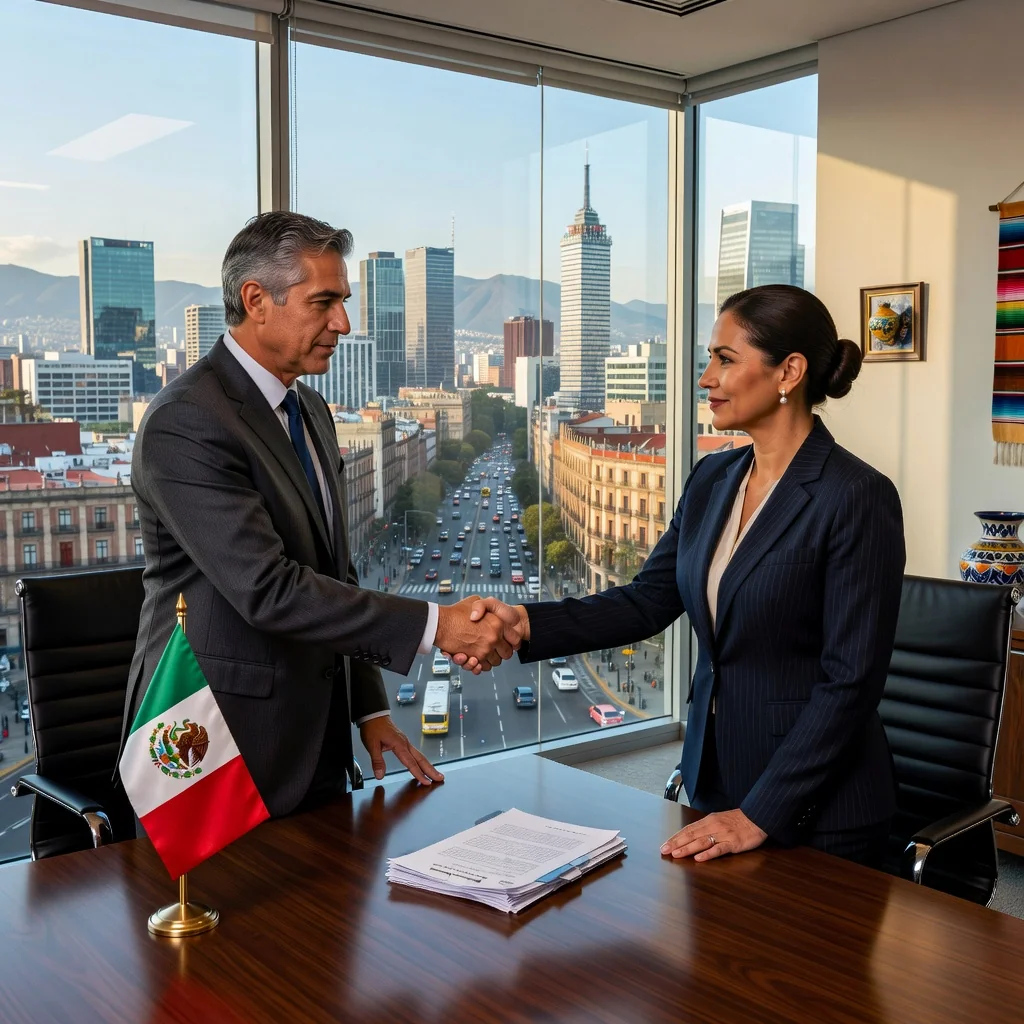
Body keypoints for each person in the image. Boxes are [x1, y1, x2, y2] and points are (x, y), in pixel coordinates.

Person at [466, 285, 905, 867]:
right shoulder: (712, 479)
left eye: (725, 360)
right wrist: (525, 624)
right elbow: (648, 600)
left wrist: (759, 814)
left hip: (818, 812)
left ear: (789, 372)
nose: (705, 378)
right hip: (717, 782)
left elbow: (850, 683)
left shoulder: (856, 496)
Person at [120, 212, 521, 817]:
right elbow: (270, 589)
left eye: (345, 301)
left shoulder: (308, 407)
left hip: (315, 745)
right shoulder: (187, 422)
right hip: (217, 744)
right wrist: (439, 625)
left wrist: (371, 708)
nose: (344, 323)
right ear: (256, 300)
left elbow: (334, 573)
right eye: (324, 302)